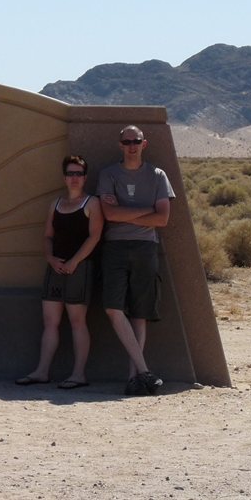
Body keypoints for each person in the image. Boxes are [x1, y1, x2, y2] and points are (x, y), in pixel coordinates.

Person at [97, 125, 175, 395]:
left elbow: (162, 218)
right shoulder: (108, 174)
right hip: (115, 247)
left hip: (146, 247)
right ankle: (145, 371)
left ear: (144, 144)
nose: (132, 145)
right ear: (120, 145)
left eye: (136, 141)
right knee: (113, 307)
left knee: (140, 313)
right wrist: (146, 210)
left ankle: (135, 378)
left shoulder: (158, 175)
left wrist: (124, 212)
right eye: (127, 141)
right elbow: (109, 215)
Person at [16, 155, 103, 389]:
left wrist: (75, 261)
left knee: (77, 321)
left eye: (79, 174)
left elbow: (94, 236)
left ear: (85, 177)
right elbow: (47, 236)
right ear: (64, 177)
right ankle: (42, 371)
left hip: (80, 268)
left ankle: (78, 374)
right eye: (70, 174)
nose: (74, 178)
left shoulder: (92, 203)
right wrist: (50, 258)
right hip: (56, 268)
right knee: (50, 321)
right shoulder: (55, 204)